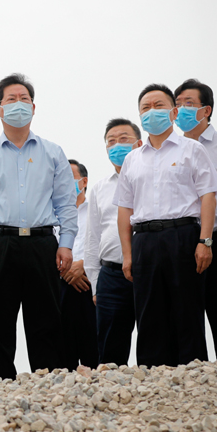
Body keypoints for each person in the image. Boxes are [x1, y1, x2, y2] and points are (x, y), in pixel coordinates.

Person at [0, 73, 77, 384]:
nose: (19, 104)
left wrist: (66, 243)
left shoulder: (53, 152)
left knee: (46, 319)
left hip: (43, 243)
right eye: (11, 99)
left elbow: (66, 203)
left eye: (24, 99)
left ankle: (49, 385)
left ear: (34, 107)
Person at [115, 83, 217, 367]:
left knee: (187, 310)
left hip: (183, 236)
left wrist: (205, 241)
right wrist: (127, 254)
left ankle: (192, 375)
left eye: (159, 106)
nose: (152, 112)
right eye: (146, 108)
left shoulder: (192, 149)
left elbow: (208, 196)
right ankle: (151, 376)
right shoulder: (132, 159)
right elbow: (124, 209)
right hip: (144, 240)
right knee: (149, 313)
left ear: (173, 112)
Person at [174, 79, 217, 359]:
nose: (181, 109)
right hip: (183, 240)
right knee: (185, 316)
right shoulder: (173, 149)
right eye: (178, 104)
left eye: (189, 103)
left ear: (206, 110)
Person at [84, 119, 141, 365]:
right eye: (111, 142)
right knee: (110, 348)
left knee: (155, 338)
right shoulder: (100, 188)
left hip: (149, 270)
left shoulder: (152, 179)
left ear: (139, 144)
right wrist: (96, 284)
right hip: (111, 276)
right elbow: (93, 238)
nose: (117, 145)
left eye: (124, 139)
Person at [59, 159, 98, 369]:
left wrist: (83, 264)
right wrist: (65, 271)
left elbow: (106, 240)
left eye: (70, 177)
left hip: (89, 282)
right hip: (60, 284)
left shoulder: (96, 210)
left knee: (94, 347)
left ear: (84, 181)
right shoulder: (50, 214)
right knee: (63, 350)